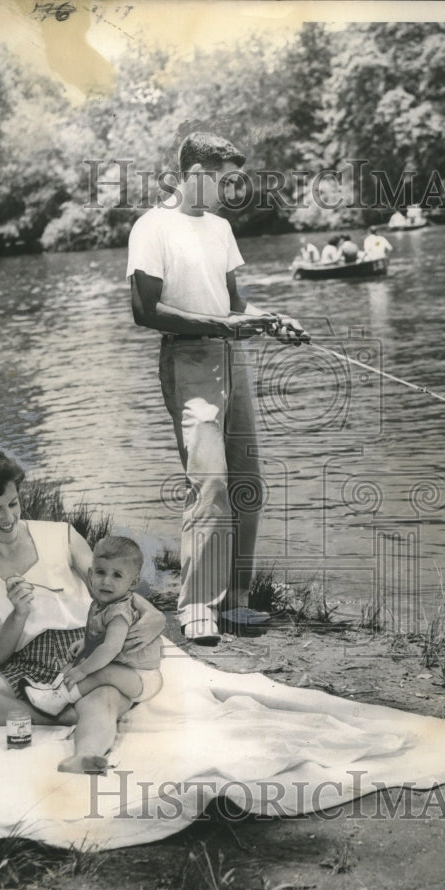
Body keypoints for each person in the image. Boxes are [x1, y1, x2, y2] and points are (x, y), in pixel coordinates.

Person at [127, 131, 309, 646]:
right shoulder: (151, 226)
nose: (231, 191)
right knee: (209, 484)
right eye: (225, 180)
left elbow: (234, 304)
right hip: (188, 359)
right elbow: (145, 310)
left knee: (246, 482)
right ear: (197, 173)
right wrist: (222, 327)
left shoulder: (222, 229)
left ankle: (238, 600)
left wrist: (272, 319)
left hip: (234, 360)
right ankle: (198, 608)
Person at [0, 449, 166, 774]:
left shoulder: (60, 535)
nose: (8, 517)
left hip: (86, 649)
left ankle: (85, 753)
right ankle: (58, 713)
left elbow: (111, 592)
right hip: (25, 665)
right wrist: (17, 615)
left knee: (103, 691)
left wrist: (154, 617)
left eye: (13, 503)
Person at [26, 536, 164, 747]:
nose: (106, 581)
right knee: (78, 661)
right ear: (90, 575)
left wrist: (83, 671)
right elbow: (102, 635)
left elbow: (111, 647)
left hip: (142, 676)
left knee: (98, 671)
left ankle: (59, 699)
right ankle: (52, 690)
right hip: (126, 668)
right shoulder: (102, 603)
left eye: (117, 575)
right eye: (100, 572)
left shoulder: (119, 612)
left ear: (133, 583)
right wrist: (85, 642)